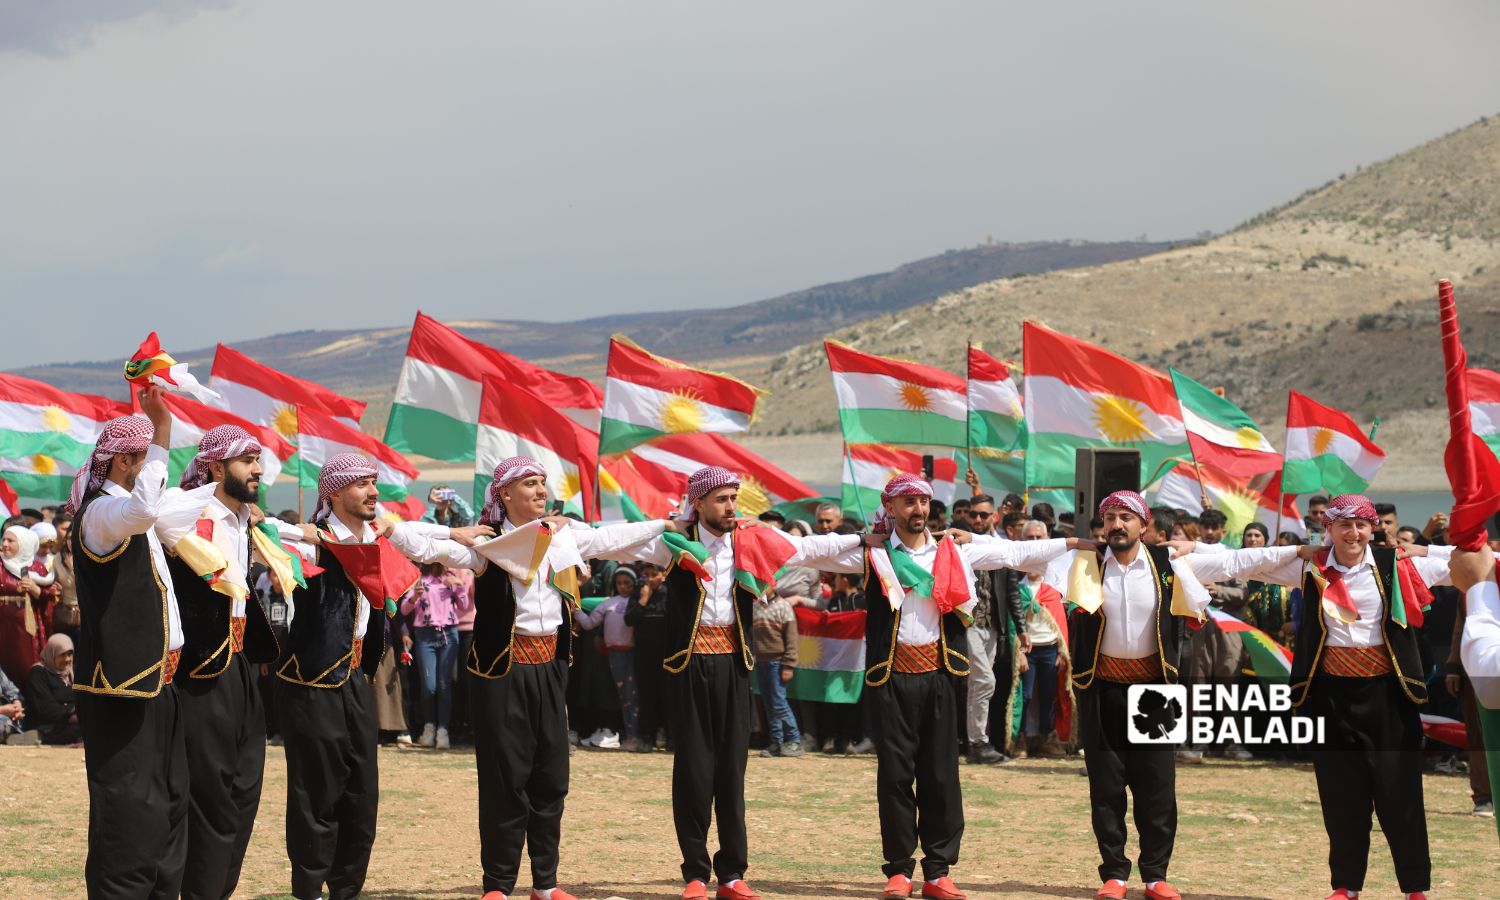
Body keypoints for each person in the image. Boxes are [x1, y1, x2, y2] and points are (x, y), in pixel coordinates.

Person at [393, 456, 669, 900]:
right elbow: (420, 546)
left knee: (551, 776)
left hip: (550, 669)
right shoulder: (486, 546)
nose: (541, 491)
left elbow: (611, 538)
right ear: (503, 494)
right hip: (502, 672)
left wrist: (666, 521)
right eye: (530, 484)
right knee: (506, 778)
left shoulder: (562, 536)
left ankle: (546, 883)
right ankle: (498, 885)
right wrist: (441, 531)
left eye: (543, 483)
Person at [1172, 494, 1456, 900]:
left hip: (1389, 696)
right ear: (1330, 529)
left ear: (1373, 527)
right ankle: (1345, 886)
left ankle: (1414, 888)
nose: (1353, 533)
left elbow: (1474, 558)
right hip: (1332, 696)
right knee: (1342, 796)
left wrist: (1426, 547)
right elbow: (1245, 561)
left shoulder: (1401, 563)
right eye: (1344, 525)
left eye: (1361, 525)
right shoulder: (1310, 565)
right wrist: (1197, 547)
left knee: (1401, 794)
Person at [815, 473, 1085, 900]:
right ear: (890, 508)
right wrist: (750, 535)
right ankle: (899, 869)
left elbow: (1016, 552)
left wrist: (1076, 543)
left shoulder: (954, 550)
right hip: (891, 678)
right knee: (896, 776)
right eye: (908, 503)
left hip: (940, 676)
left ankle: (938, 870)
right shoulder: (875, 554)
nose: (918, 510)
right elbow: (815, 550)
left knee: (941, 775)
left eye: (923, 503)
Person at [624, 466, 864, 900]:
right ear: (698, 503)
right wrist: (664, 523)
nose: (732, 506)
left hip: (734, 665)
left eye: (735, 498)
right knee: (694, 771)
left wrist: (866, 540)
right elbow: (611, 543)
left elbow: (811, 548)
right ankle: (696, 874)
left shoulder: (749, 539)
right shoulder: (674, 543)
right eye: (722, 498)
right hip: (689, 665)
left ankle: (732, 874)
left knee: (732, 770)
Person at [274, 453, 474, 900]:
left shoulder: (376, 536)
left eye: (374, 483)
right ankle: (308, 891)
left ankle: (346, 891)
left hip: (356, 683)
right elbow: (266, 530)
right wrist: (298, 530)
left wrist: (452, 531)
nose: (373, 492)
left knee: (362, 797)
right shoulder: (313, 541)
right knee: (315, 797)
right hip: (310, 685)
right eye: (363, 484)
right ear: (335, 492)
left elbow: (417, 538)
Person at [146, 424, 285, 900]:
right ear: (215, 466)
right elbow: (155, 512)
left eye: (258, 459)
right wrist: (210, 485)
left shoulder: (246, 518)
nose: (258, 470)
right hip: (202, 673)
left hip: (244, 668)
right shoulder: (188, 512)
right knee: (210, 797)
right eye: (247, 460)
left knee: (246, 791)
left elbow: (296, 536)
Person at [68, 396, 192, 899]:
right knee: (129, 809)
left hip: (155, 683)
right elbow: (142, 508)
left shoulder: (129, 516)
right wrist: (161, 425)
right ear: (125, 461)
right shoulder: (102, 514)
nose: (155, 475)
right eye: (148, 461)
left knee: (169, 802)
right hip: (120, 685)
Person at [1069, 491, 1212, 900]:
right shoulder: (1088, 563)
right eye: (1109, 516)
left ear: (1143, 525)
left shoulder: (1169, 564)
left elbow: (1241, 561)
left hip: (1155, 690)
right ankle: (1114, 874)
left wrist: (1197, 544)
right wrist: (968, 541)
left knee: (1156, 788)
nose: (1116, 524)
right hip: (1102, 687)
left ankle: (1155, 874)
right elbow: (1020, 554)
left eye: (1125, 517)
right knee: (1107, 788)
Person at [960, 492, 1024, 765]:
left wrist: (1021, 629)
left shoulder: (1002, 547)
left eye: (983, 515)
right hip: (968, 624)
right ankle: (977, 741)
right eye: (973, 514)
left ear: (993, 517)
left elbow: (1011, 591)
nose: (977, 519)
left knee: (979, 685)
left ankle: (977, 742)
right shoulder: (957, 543)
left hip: (993, 625)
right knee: (984, 681)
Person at [401, 561, 472, 749]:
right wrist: (414, 597)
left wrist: (459, 587)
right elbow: (404, 609)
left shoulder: (450, 579)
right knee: (429, 685)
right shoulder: (419, 580)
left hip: (449, 633)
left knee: (444, 684)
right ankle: (429, 727)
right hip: (425, 636)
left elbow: (464, 606)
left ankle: (443, 730)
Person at [1016, 520, 1071, 758]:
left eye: (1039, 538)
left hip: (1050, 649)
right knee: (1024, 696)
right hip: (1026, 650)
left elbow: (1062, 621)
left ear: (1047, 539)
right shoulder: (1014, 580)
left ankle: (1046, 739)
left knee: (1050, 696)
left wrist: (1062, 651)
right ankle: (1020, 740)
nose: (1035, 542)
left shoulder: (1056, 580)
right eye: (1030, 538)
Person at [573, 566, 643, 751]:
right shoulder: (607, 603)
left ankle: (634, 736)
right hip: (613, 654)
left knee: (632, 696)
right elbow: (589, 624)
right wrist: (574, 608)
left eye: (627, 583)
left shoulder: (638, 602)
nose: (623, 587)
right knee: (624, 696)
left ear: (634, 584)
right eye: (619, 583)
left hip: (633, 653)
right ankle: (629, 736)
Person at [625, 561, 671, 750]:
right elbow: (628, 619)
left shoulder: (669, 594)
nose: (650, 579)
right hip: (643, 654)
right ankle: (646, 737)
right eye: (646, 575)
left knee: (668, 695)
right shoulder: (639, 593)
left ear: (663, 575)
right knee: (646, 695)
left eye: (654, 575)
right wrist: (643, 601)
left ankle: (670, 737)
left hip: (667, 654)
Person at [752, 582, 800, 758]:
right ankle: (776, 741)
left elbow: (792, 639)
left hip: (777, 662)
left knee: (779, 703)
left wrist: (789, 664)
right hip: (761, 662)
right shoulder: (756, 606)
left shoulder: (783, 606)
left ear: (773, 585)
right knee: (768, 704)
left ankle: (794, 740)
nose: (761, 587)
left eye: (765, 584)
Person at [0, 523, 53, 682]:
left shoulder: (37, 568)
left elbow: (48, 596)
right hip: (3, 625)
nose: (5, 544)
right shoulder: (1, 565)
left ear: (25, 544)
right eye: (3, 539)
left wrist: (35, 589)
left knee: (26, 664)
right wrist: (16, 587)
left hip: (26, 628)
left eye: (10, 541)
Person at [25, 632, 80, 744]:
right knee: (83, 730)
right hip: (48, 725)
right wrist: (72, 717)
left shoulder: (72, 673)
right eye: (62, 654)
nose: (67, 659)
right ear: (52, 653)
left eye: (70, 654)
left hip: (72, 721)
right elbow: (45, 707)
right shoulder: (38, 673)